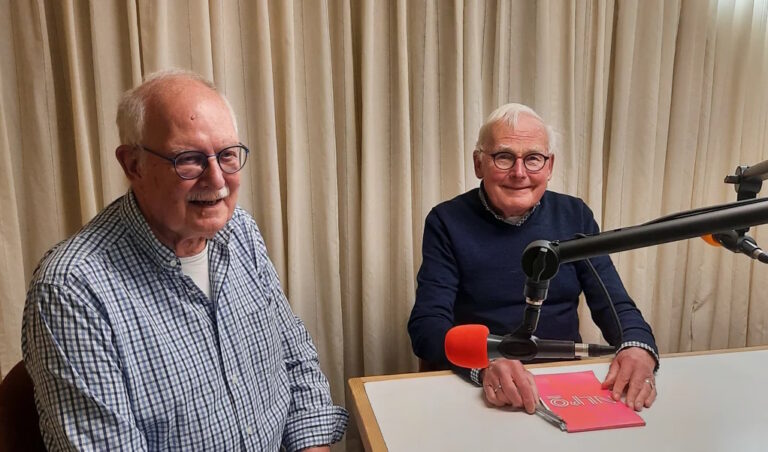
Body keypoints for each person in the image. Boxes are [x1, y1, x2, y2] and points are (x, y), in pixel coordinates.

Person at [22, 70, 348, 451]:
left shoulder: (239, 230)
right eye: (189, 160)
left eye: (227, 155)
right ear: (133, 165)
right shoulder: (71, 290)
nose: (217, 180)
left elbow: (296, 360)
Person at [408, 103, 658, 415]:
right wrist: (484, 366)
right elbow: (427, 326)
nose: (519, 172)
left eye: (533, 159)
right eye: (504, 157)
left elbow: (614, 304)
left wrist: (638, 346)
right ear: (478, 164)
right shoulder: (446, 221)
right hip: (483, 388)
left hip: (564, 385)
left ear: (550, 166)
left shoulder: (574, 215)